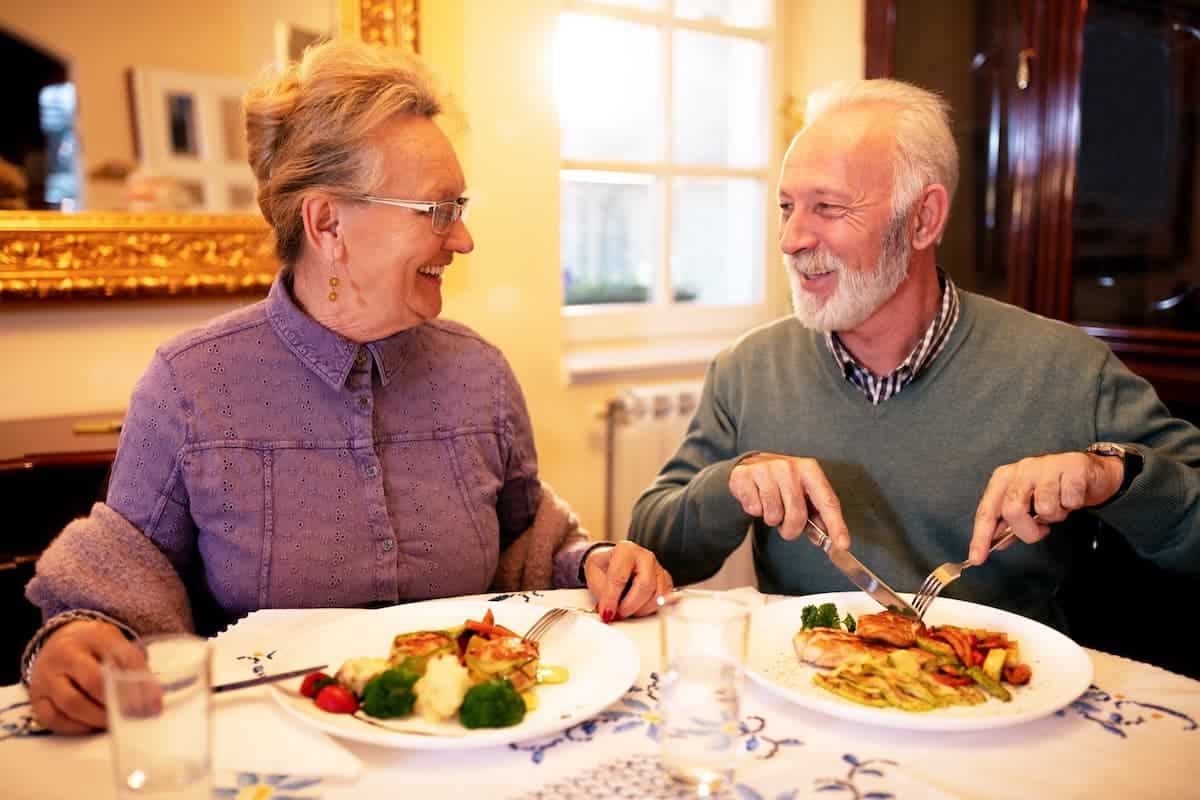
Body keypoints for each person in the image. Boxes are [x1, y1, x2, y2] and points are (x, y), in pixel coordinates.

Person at [23, 40, 671, 735]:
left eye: (460, 207)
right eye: (437, 211)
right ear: (327, 222)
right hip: (270, 750)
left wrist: (596, 562)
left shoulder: (480, 374)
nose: (464, 240)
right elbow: (119, 590)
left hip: (465, 751)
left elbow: (524, 542)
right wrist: (72, 643)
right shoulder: (190, 383)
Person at [630, 79, 1200, 629]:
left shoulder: (1070, 371)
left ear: (923, 218)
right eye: (786, 207)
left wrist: (1109, 474)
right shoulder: (748, 369)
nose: (792, 239)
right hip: (805, 698)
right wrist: (731, 484)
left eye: (828, 207)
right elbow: (655, 549)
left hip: (1003, 704)